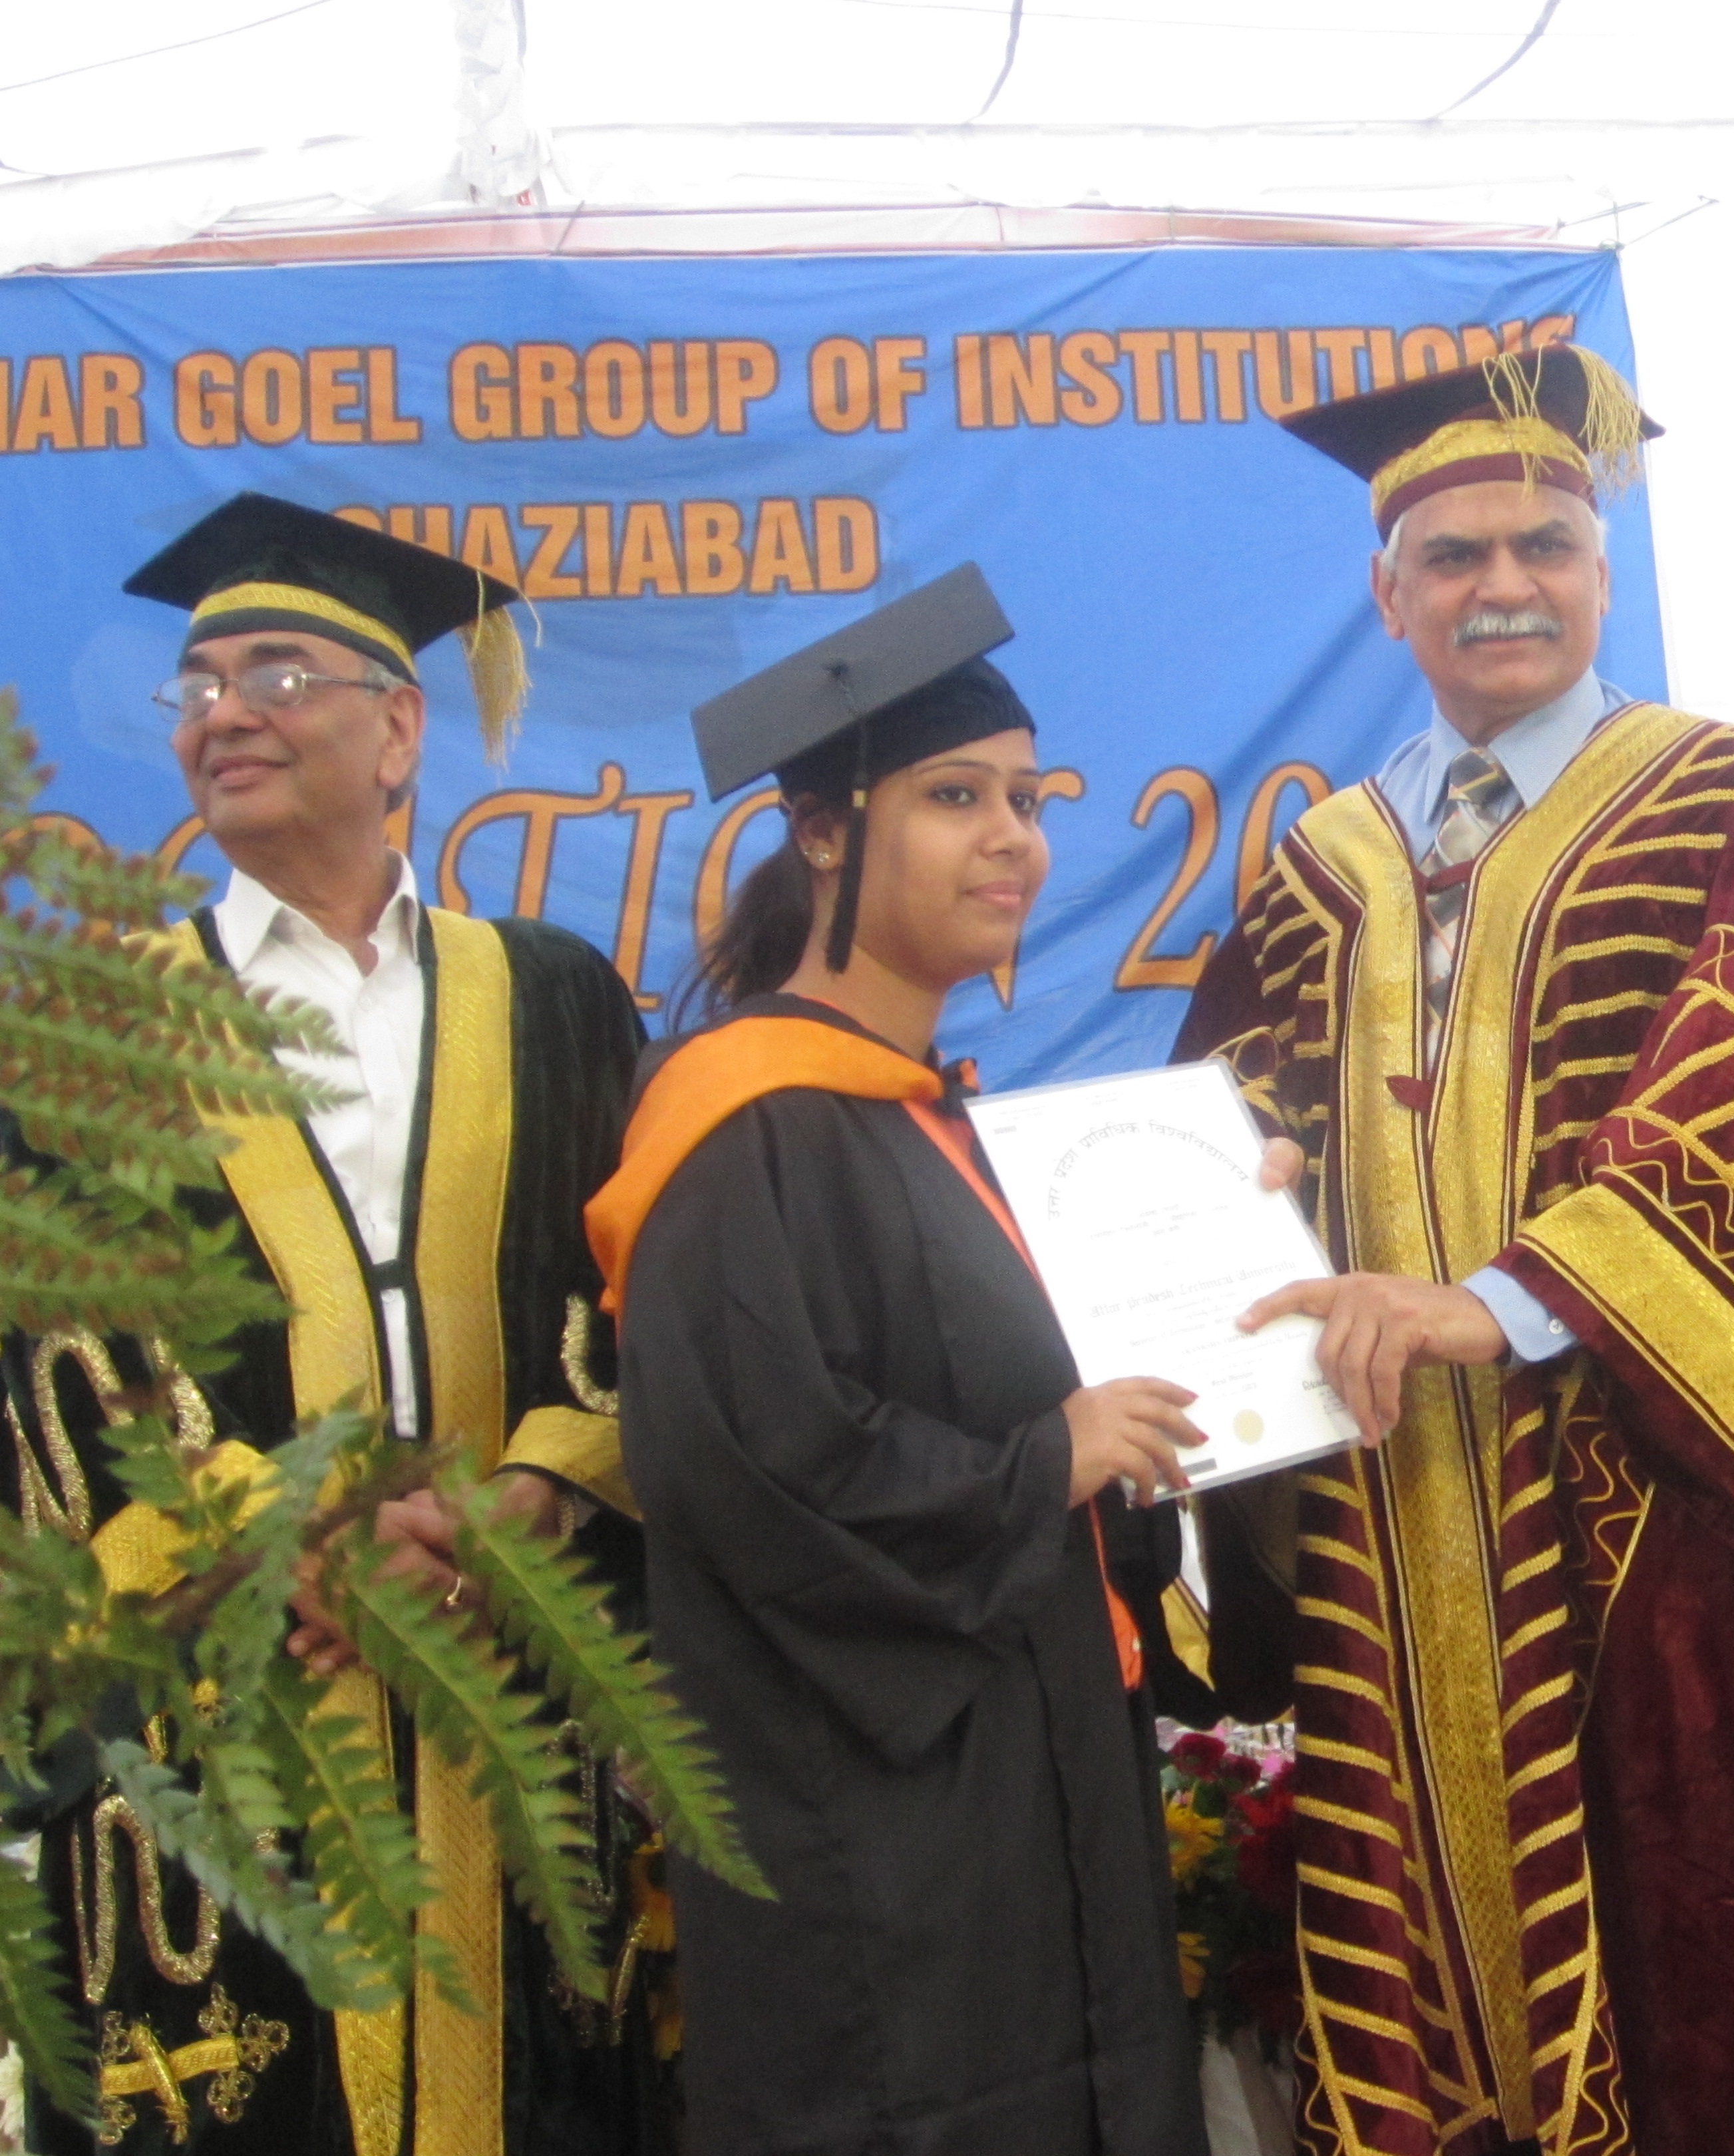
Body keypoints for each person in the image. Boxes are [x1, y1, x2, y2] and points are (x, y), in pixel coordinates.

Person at [1176, 345, 1734, 2156]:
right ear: (1389, 595)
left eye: (1545, 546)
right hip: (1385, 1528)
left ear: (1607, 575)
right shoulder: (1320, 866)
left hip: (1663, 1527)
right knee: (1408, 1979)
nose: (1503, 585)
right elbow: (1224, 1113)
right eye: (1453, 556)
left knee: (1707, 1982)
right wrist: (1240, 1180)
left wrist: (1507, 1299)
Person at [1, 493, 653, 2154]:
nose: (224, 713)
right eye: (201, 685)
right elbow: (60, 1369)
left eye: (279, 674)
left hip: (512, 1685)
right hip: (231, 1711)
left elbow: (631, 1294)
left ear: (401, 728)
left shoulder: (557, 993)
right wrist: (295, 1542)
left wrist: (537, 1489)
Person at [587, 564, 1209, 2156]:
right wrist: (1046, 1462)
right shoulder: (743, 1124)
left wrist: (1220, 1258)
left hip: (1038, 1793)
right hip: (874, 1844)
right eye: (955, 796)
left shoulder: (935, 1119)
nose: (1014, 836)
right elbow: (746, 1467)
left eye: (1027, 799)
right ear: (821, 830)